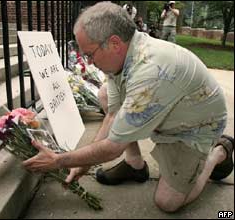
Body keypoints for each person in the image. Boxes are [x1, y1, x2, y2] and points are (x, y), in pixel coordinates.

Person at [23, 2, 234, 213]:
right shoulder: (123, 55)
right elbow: (113, 114)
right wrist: (84, 163)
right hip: (172, 112)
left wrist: (60, 160)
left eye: (89, 54)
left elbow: (113, 147)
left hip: (196, 126)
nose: (89, 62)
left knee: (168, 202)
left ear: (114, 43)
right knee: (105, 93)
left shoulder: (149, 71)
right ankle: (134, 164)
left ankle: (219, 151)